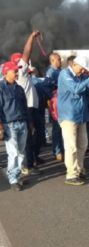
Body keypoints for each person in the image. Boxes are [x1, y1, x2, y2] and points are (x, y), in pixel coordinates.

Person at [58, 56, 89, 186]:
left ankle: (79, 170)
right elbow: (76, 89)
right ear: (75, 64)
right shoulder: (64, 74)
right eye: (82, 68)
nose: (83, 70)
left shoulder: (82, 75)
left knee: (83, 145)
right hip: (69, 116)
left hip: (82, 116)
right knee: (71, 146)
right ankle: (71, 174)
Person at [10, 31, 42, 176]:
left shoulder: (25, 74)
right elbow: (27, 52)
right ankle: (29, 165)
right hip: (28, 109)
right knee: (29, 137)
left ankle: (33, 159)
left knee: (36, 135)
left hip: (33, 108)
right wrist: (31, 37)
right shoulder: (21, 73)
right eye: (21, 62)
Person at [0, 62, 29, 191]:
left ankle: (18, 176)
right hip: (9, 125)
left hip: (22, 123)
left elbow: (25, 107)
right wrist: (0, 128)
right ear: (6, 72)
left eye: (17, 71)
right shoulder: (1, 88)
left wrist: (30, 123)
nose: (17, 73)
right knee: (14, 153)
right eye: (14, 71)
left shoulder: (19, 88)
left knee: (22, 152)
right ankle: (13, 179)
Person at [45, 53, 64, 161]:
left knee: (62, 127)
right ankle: (57, 151)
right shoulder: (50, 72)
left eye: (60, 59)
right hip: (55, 103)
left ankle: (61, 149)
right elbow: (46, 87)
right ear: (52, 60)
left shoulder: (60, 71)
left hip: (62, 103)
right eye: (58, 59)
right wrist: (53, 97)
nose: (60, 61)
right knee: (56, 128)